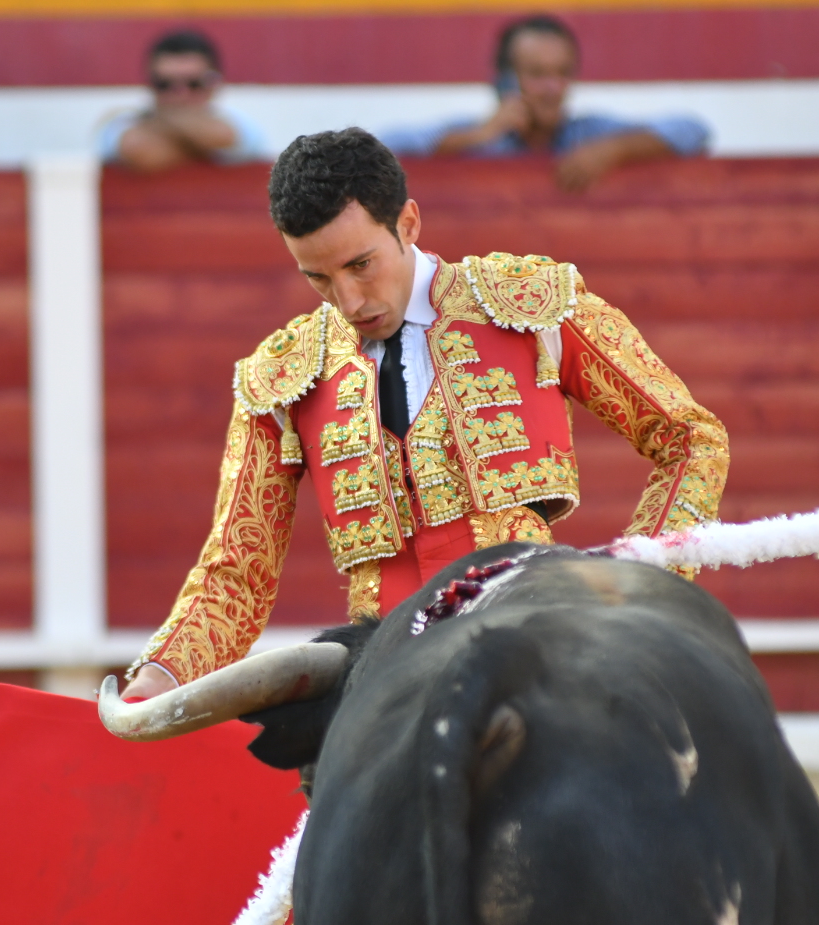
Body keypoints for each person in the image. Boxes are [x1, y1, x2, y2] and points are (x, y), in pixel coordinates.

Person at [121, 128, 728, 701]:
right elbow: (238, 570)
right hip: (384, 678)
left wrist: (638, 588)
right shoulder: (283, 377)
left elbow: (689, 439)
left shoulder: (529, 305)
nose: (348, 301)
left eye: (361, 264)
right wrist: (161, 676)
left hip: (535, 642)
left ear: (408, 223)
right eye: (318, 278)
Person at [382, 14, 710, 191]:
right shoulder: (476, 136)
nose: (553, 88)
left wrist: (613, 150)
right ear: (505, 81)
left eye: (562, 73)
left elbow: (693, 131)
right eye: (538, 74)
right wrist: (478, 136)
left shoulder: (588, 134)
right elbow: (383, 147)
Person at [98, 29, 270, 171]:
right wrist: (199, 143)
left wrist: (161, 121)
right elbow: (141, 151)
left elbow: (224, 137)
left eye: (193, 84)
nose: (180, 94)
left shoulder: (241, 124)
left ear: (213, 83)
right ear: (150, 84)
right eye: (165, 84)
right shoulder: (119, 126)